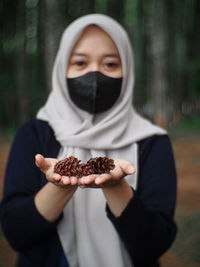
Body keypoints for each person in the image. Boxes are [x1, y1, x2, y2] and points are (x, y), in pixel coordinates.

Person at [0, 14, 177, 267]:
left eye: (110, 64)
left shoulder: (151, 141)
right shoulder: (34, 134)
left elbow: (154, 244)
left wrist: (116, 186)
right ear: (63, 68)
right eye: (80, 63)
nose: (94, 74)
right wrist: (60, 187)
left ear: (127, 70)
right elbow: (16, 232)